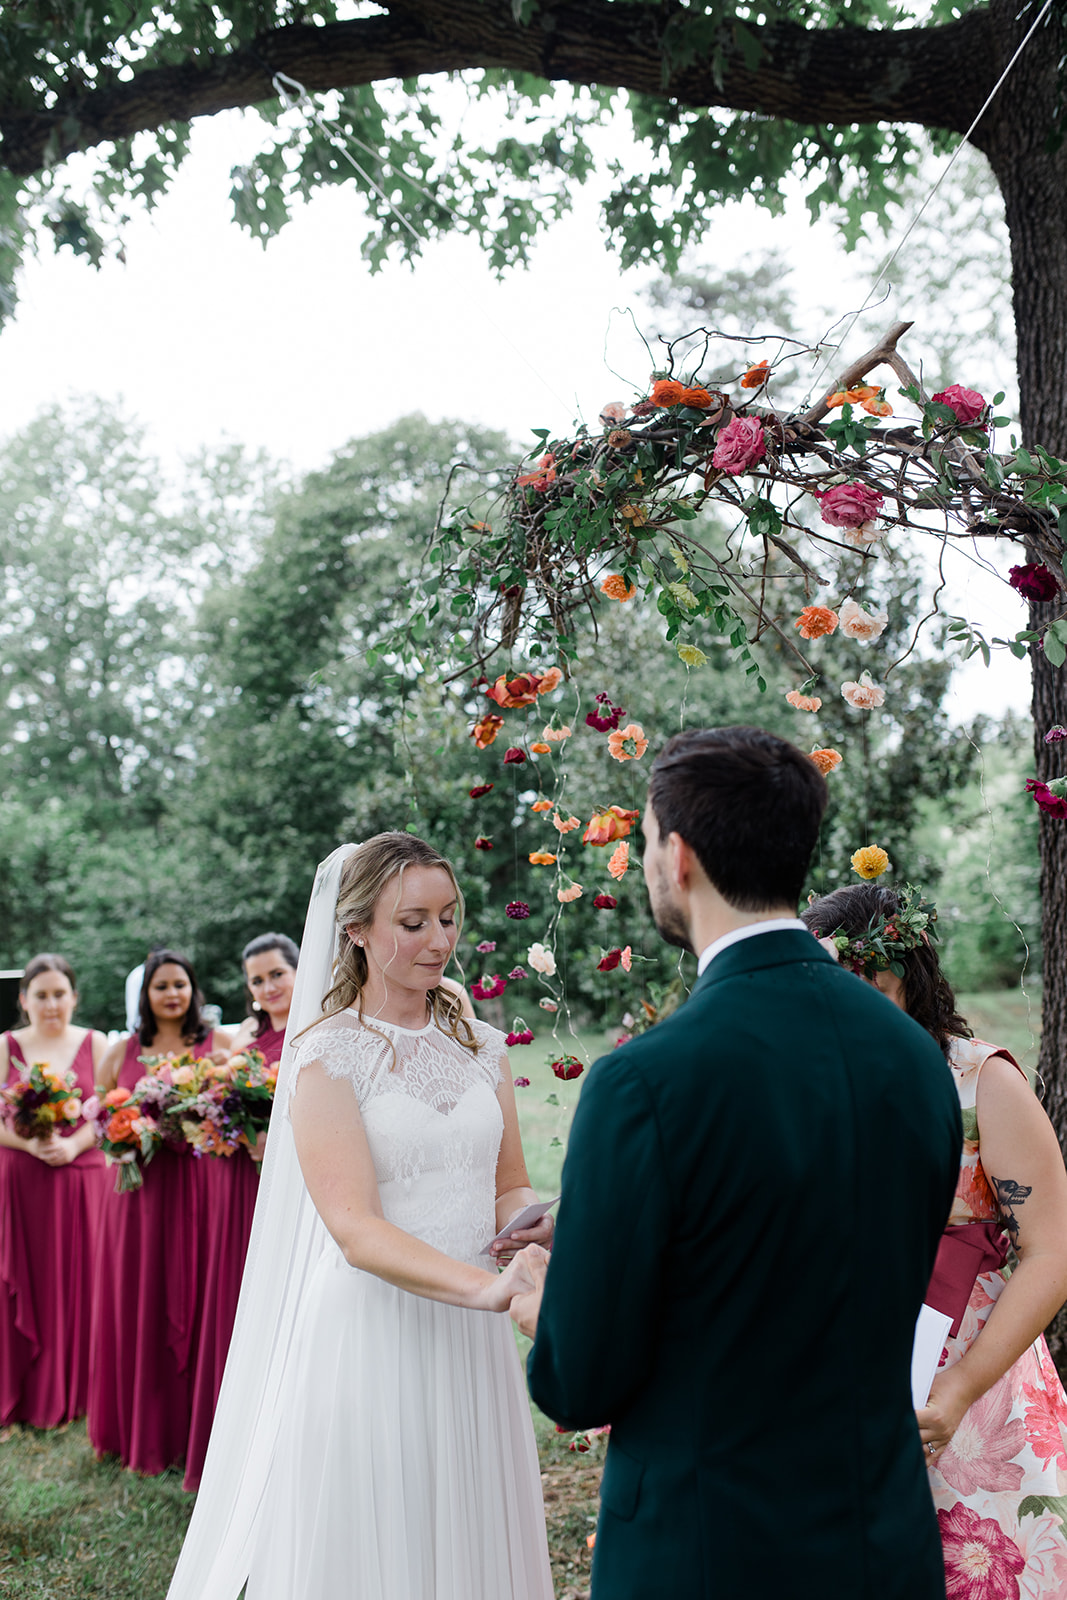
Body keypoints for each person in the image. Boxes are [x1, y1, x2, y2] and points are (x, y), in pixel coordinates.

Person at [510, 726, 963, 1599]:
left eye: (644, 840)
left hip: (708, 1550)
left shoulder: (645, 1081)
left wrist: (544, 1304)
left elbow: (580, 1380)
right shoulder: (913, 1055)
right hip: (882, 1543)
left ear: (675, 856)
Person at [167, 834, 554, 1600]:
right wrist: (492, 1289)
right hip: (374, 1328)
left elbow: (506, 1185)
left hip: (473, 1336)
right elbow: (354, 1228)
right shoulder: (325, 1055)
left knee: (469, 1537)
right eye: (412, 922)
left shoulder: (483, 1045)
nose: (439, 940)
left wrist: (539, 1224)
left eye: (449, 917)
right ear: (354, 930)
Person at [803, 881, 1067, 1595]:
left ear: (898, 981)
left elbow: (1050, 1253)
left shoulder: (980, 1083)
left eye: (855, 986)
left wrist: (956, 1388)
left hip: (973, 1374)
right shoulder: (805, 1082)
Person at [88, 949, 231, 1479]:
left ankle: (195, 1431)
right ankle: (137, 1429)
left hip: (197, 1188)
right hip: (138, 1193)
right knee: (137, 1296)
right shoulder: (121, 1049)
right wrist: (125, 1132)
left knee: (195, 1297)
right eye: (161, 986)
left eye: (181, 984)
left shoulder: (219, 1046)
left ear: (194, 990)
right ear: (144, 995)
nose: (172, 994)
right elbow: (99, 1115)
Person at [0, 954, 108, 1427]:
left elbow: (107, 1110)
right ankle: (25, 1387)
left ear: (74, 997)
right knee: (30, 1278)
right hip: (22, 1183)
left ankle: (85, 1388)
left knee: (83, 1280)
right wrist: (30, 1141)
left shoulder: (96, 1042)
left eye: (59, 993)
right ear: (23, 1000)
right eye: (40, 995)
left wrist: (73, 1144)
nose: (51, 1004)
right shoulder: (5, 1045)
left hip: (82, 1179)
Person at [227, 933, 301, 1069]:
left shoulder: (315, 1026)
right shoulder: (248, 1027)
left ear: (299, 971)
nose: (269, 989)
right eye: (257, 981)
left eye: (277, 975)